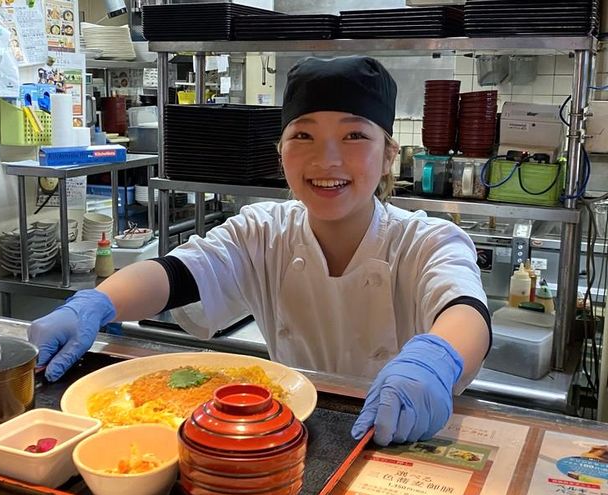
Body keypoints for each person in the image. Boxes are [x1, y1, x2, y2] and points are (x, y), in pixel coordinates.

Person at [29, 56, 491, 446]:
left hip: (398, 433)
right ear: (281, 153)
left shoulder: (426, 239)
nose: (327, 159)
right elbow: (176, 274)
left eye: (354, 137)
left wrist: (434, 360)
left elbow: (465, 310)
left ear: (389, 155)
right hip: (283, 433)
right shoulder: (262, 230)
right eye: (303, 136)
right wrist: (97, 303)